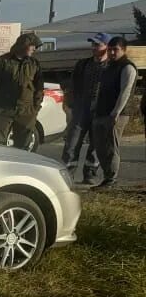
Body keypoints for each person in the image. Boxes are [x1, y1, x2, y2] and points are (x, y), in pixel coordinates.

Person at [60, 32, 110, 184]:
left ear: (106, 47)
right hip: (81, 109)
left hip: (101, 110)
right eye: (92, 44)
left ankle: (90, 174)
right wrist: (69, 104)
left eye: (98, 45)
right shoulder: (83, 64)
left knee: (96, 144)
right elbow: (73, 85)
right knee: (72, 143)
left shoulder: (112, 67)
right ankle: (67, 174)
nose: (94, 48)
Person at [90, 36, 137, 189]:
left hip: (116, 114)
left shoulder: (127, 67)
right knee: (99, 146)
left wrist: (116, 112)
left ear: (123, 50)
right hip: (101, 112)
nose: (111, 52)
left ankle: (111, 179)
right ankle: (106, 177)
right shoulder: (109, 66)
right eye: (109, 49)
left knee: (111, 147)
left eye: (115, 49)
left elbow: (126, 91)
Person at [0, 33, 43, 149]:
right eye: (33, 46)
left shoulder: (34, 64)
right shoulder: (2, 62)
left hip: (26, 111)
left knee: (23, 147)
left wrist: (35, 108)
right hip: (3, 109)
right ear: (24, 45)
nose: (34, 49)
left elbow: (39, 88)